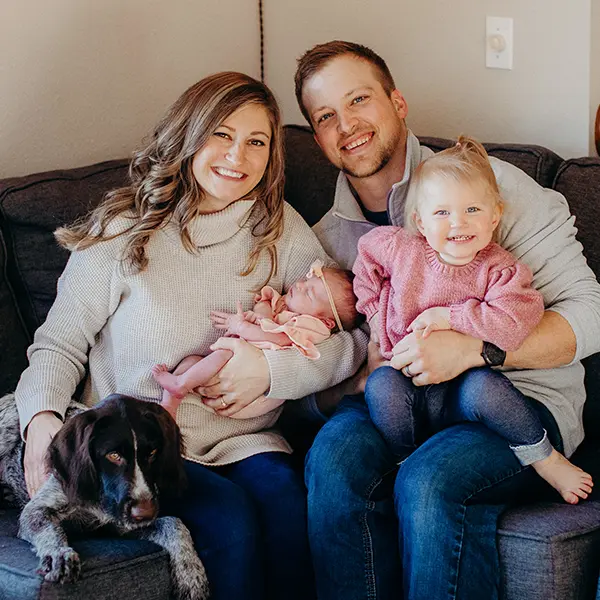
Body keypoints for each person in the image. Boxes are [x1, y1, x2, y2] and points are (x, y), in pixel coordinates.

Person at [14, 71, 367, 600]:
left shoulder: (280, 229)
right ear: (189, 133)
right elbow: (58, 342)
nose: (238, 156)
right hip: (143, 446)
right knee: (231, 527)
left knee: (292, 514)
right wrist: (40, 418)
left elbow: (346, 337)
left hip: (244, 439)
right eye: (221, 135)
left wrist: (274, 371)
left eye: (256, 142)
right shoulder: (124, 227)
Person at [294, 40, 600, 600]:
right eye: (326, 116)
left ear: (398, 102)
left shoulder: (489, 189)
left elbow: (591, 315)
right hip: (401, 399)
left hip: (518, 398)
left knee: (429, 481)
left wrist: (476, 349)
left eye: (359, 100)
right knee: (333, 460)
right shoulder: (324, 242)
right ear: (316, 137)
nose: (348, 125)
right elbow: (309, 370)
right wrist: (350, 380)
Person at [353, 135, 592, 503]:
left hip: (467, 384)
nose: (458, 224)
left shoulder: (499, 268)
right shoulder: (402, 249)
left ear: (495, 216)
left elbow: (516, 319)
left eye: (473, 211)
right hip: (409, 380)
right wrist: (375, 316)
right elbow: (366, 258)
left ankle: (542, 456)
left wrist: (451, 318)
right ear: (420, 221)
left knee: (489, 391)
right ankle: (406, 458)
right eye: (442, 213)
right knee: (380, 387)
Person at [152, 260, 362, 419]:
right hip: (230, 378)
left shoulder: (311, 327)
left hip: (255, 398)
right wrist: (261, 315)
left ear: (326, 322)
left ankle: (180, 385)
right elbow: (264, 309)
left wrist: (242, 327)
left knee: (226, 352)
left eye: (309, 294)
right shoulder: (284, 307)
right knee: (191, 362)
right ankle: (169, 405)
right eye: (307, 280)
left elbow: (279, 339)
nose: (299, 285)